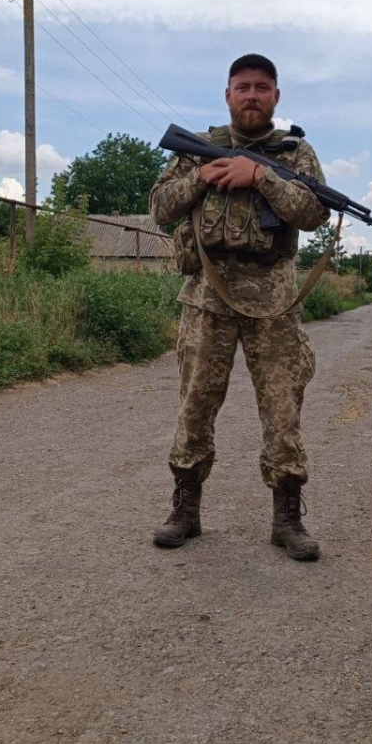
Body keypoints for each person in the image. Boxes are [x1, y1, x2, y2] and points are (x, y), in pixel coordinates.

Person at [149, 54, 331, 561]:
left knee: (282, 410)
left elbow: (315, 213)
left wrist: (261, 177)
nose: (252, 95)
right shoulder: (197, 150)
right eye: (243, 87)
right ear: (228, 95)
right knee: (195, 406)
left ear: (276, 96)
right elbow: (160, 208)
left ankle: (287, 519)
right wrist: (203, 177)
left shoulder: (296, 153)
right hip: (207, 300)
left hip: (273, 305)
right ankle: (185, 510)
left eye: (262, 88)